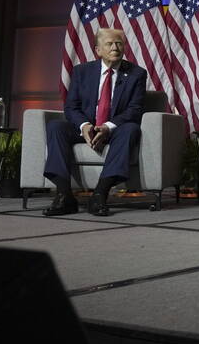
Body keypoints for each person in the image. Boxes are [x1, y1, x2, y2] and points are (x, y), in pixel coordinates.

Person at [44, 27, 148, 217]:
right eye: (109, 44)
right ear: (98, 50)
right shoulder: (82, 71)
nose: (115, 48)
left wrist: (107, 127)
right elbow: (71, 107)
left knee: (131, 129)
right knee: (55, 126)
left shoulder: (136, 74)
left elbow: (134, 110)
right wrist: (84, 126)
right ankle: (64, 195)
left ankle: (100, 194)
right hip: (85, 127)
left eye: (119, 43)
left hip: (115, 129)